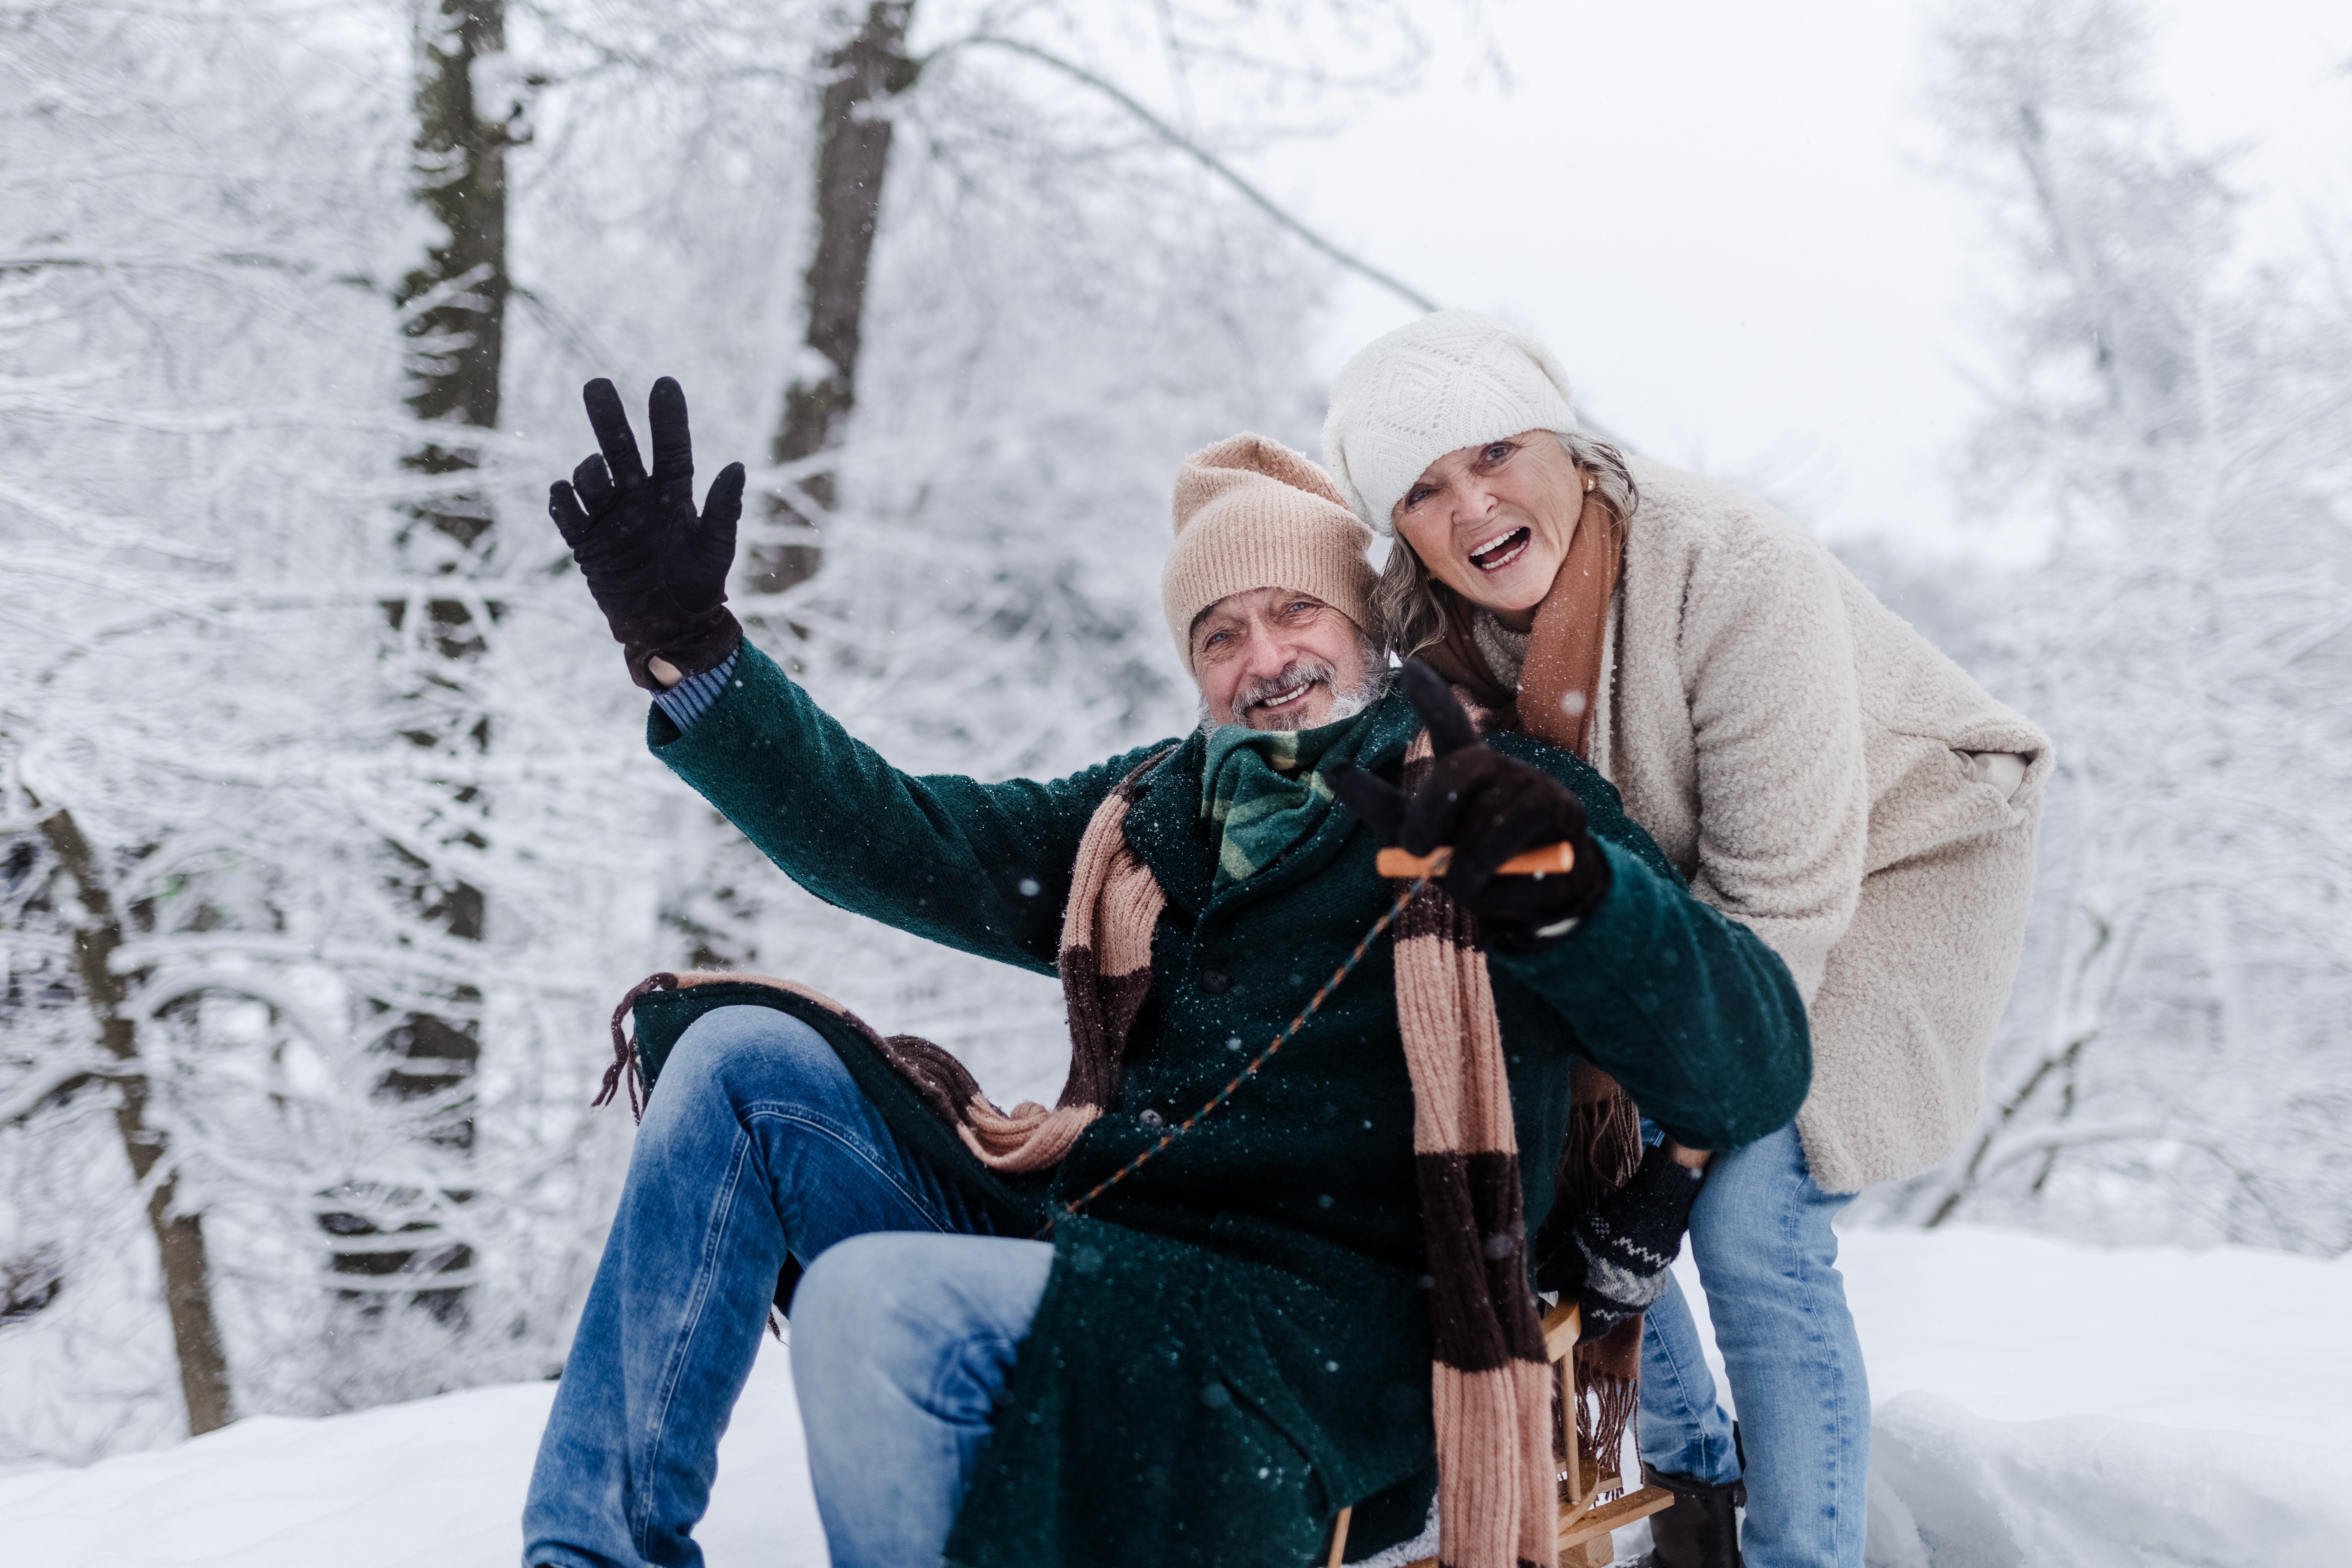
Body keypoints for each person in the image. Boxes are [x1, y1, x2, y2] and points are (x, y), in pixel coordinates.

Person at [521, 379, 1814, 1568]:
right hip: (1101, 1239)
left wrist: (1559, 885)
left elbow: (1750, 1061)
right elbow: (905, 839)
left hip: (1331, 1333)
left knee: (878, 1302)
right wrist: (697, 663)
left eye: (1296, 609)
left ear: (1363, 626)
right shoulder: (1142, 822)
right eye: (1221, 633)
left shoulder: (1505, 800)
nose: (1267, 657)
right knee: (747, 1065)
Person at [1320, 311, 2052, 1568]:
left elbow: (1781, 915)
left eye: (1495, 451)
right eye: (1425, 488)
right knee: (1565, 1161)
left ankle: (1803, 1556)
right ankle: (1693, 1506)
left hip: (1881, 869)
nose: (1472, 504)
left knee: (1748, 1213)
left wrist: (1673, 1173)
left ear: (1569, 441)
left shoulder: (1729, 566)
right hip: (1682, 904)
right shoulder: (1436, 645)